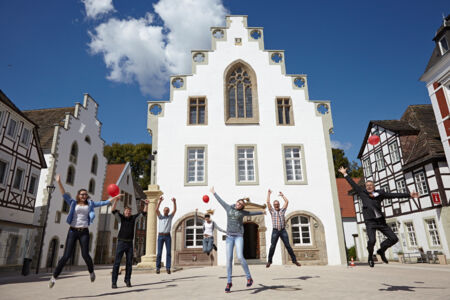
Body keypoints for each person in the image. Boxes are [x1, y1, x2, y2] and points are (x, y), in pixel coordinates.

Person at [338, 166, 419, 267]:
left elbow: (393, 195)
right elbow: (353, 184)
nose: (369, 186)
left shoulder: (380, 194)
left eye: (371, 185)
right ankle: (370, 257)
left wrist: (409, 195)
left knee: (394, 238)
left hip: (380, 221)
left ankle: (381, 250)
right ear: (365, 187)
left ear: (374, 186)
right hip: (370, 222)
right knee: (372, 240)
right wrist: (345, 174)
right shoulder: (362, 193)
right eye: (367, 185)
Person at [49, 174, 119, 288]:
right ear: (78, 195)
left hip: (84, 232)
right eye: (82, 194)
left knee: (85, 254)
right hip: (72, 231)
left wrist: (115, 197)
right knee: (66, 256)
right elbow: (63, 194)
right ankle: (54, 277)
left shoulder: (90, 204)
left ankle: (91, 272)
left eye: (86, 194)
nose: (84, 196)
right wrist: (59, 181)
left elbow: (104, 203)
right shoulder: (72, 203)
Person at [210, 186, 265, 293]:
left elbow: (251, 213)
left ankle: (249, 277)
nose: (238, 204)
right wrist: (214, 193)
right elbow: (221, 201)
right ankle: (229, 282)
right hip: (229, 237)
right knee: (229, 259)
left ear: (242, 206)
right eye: (238, 202)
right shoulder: (228, 208)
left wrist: (262, 212)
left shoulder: (243, 212)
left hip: (239, 236)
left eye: (240, 204)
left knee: (240, 256)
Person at [111, 198, 149, 288]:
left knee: (129, 263)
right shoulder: (121, 218)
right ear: (124, 212)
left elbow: (143, 213)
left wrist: (146, 205)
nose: (128, 212)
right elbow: (112, 210)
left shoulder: (134, 218)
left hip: (129, 244)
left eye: (129, 211)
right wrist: (116, 201)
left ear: (131, 212)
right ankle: (114, 282)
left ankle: (127, 280)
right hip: (121, 242)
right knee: (117, 263)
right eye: (126, 211)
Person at [266, 189, 301, 268]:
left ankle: (294, 260)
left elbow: (287, 202)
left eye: (277, 204)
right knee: (272, 246)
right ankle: (269, 261)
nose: (276, 205)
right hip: (275, 231)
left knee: (288, 245)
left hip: (282, 230)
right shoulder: (272, 211)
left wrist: (282, 196)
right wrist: (269, 194)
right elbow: (268, 202)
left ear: (279, 204)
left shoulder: (282, 210)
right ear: (273, 205)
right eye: (275, 204)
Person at [156, 195, 176, 274]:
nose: (166, 211)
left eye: (167, 210)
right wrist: (160, 201)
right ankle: (158, 267)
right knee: (159, 253)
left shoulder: (170, 217)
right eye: (165, 210)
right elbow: (156, 210)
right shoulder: (160, 217)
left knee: (168, 252)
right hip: (160, 236)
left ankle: (168, 268)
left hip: (167, 236)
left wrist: (174, 202)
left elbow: (175, 210)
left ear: (168, 211)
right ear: (163, 211)